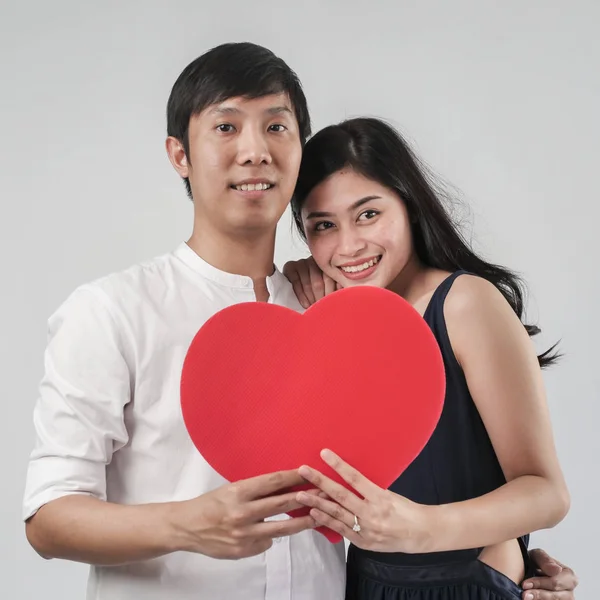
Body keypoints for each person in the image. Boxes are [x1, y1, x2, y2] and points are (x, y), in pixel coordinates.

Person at [21, 41, 577, 600]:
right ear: (178, 155)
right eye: (225, 127)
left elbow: (441, 463)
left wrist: (510, 564)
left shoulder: (335, 312)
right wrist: (187, 523)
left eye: (277, 127)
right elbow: (47, 519)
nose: (255, 150)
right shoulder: (112, 310)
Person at [283, 116, 574, 600]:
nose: (349, 245)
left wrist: (421, 527)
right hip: (364, 585)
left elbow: (546, 492)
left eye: (369, 214)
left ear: (409, 206)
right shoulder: (338, 319)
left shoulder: (464, 303)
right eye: (323, 226)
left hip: (464, 585)